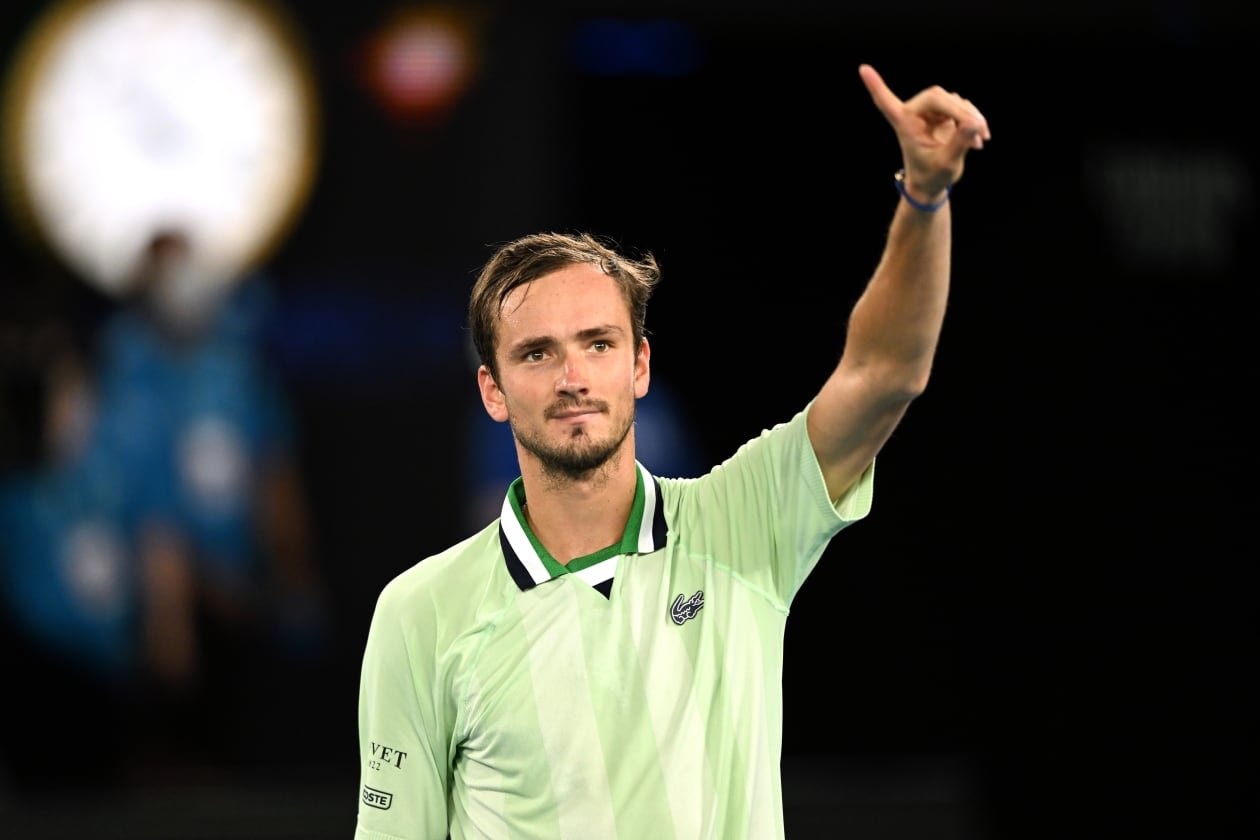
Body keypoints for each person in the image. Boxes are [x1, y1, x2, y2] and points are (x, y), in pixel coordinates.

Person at [354, 63, 990, 839]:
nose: (572, 377)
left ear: (640, 366)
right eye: (537, 353)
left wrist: (924, 198)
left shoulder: (742, 524)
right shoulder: (421, 612)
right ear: (493, 390)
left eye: (598, 343)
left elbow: (885, 374)